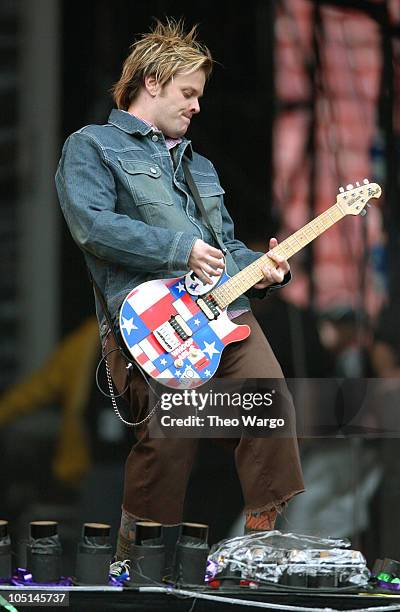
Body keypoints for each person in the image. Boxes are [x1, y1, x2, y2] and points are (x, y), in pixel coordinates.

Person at [55, 19, 304, 562]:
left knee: (269, 401)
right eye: (188, 93)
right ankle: (135, 556)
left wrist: (264, 269)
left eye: (199, 96)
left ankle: (263, 539)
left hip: (222, 309)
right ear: (153, 82)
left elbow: (225, 247)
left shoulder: (202, 167)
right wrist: (177, 251)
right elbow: (92, 227)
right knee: (170, 437)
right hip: (151, 320)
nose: (196, 107)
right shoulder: (93, 146)